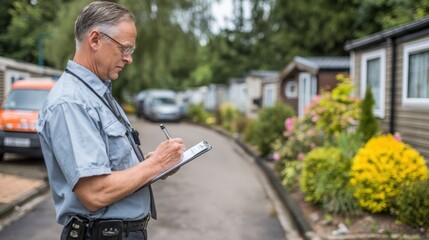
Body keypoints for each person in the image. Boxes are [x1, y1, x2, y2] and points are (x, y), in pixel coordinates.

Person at [37, 1, 185, 240]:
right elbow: (95, 193)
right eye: (124, 49)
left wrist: (150, 167)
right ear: (95, 40)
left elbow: (109, 170)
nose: (129, 59)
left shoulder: (96, 94)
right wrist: (156, 164)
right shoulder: (72, 102)